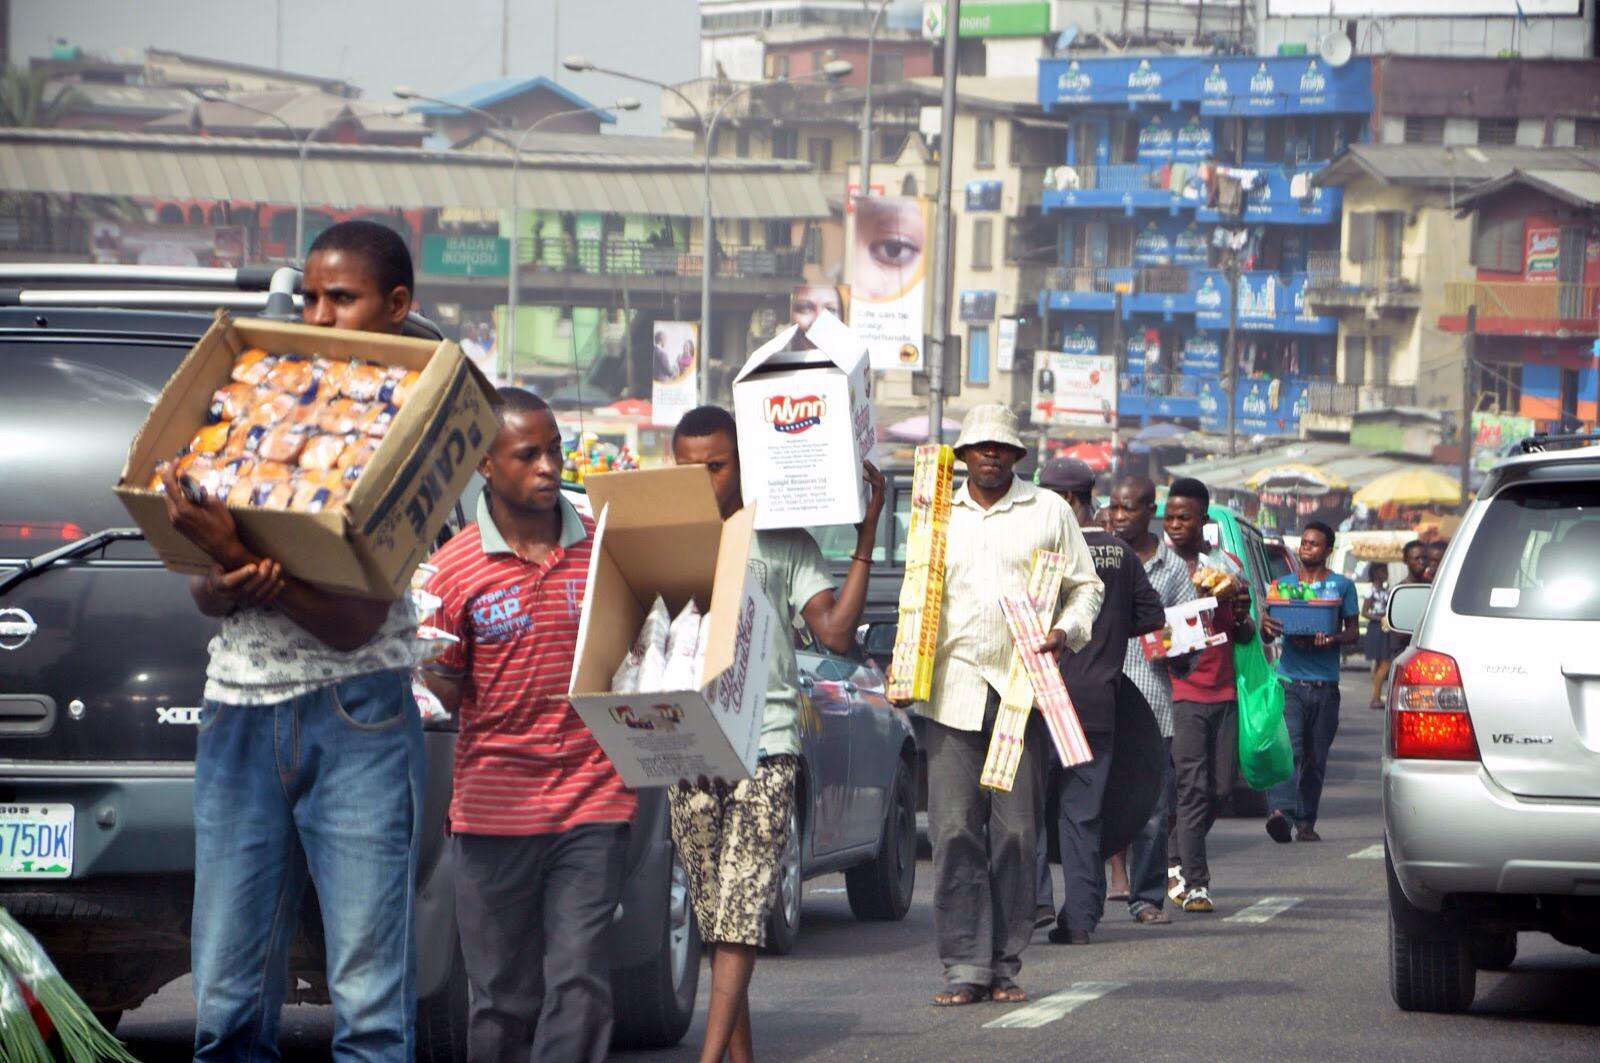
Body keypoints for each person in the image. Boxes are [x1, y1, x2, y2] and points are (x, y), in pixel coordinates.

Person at [165, 220, 428, 1060]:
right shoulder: (254, 403)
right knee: (227, 1003)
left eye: (341, 298)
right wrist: (223, 569)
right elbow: (209, 597)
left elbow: (356, 625)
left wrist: (241, 552)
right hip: (236, 713)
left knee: (369, 1006)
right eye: (311, 295)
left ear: (396, 305)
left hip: (356, 719)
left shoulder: (414, 429)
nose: (317, 313)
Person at [422, 388, 634, 1062]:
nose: (548, 466)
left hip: (593, 799)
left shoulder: (603, 550)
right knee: (502, 998)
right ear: (486, 463)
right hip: (493, 812)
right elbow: (445, 691)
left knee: (579, 982)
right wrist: (423, 669)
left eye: (555, 451)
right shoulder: (453, 571)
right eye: (528, 453)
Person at [670, 405, 884, 1063]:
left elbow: (836, 632)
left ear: (742, 463)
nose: (704, 480)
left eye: (716, 465)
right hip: (690, 748)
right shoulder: (664, 538)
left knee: (739, 912)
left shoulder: (783, 540)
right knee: (715, 918)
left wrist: (865, 537)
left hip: (766, 743)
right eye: (689, 468)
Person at [902, 404, 1102, 1006]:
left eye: (1001, 448)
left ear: (1018, 456)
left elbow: (1085, 586)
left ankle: (1004, 965)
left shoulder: (1047, 510)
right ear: (962, 456)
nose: (990, 455)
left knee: (1016, 834)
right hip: (952, 689)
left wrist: (1065, 631)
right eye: (979, 447)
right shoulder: (936, 510)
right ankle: (965, 966)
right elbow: (917, 590)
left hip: (1024, 690)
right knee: (956, 829)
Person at [1032, 460, 1164, 945]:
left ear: (1067, 502)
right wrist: (1108, 639)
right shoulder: (1120, 554)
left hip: (1043, 701)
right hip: (1098, 706)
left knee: (1026, 808)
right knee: (1082, 815)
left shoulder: (1042, 552)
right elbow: (1151, 616)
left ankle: (1036, 902)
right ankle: (1081, 921)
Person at [1106, 474, 1198, 926]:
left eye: (1130, 509)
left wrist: (1180, 647)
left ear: (1149, 512)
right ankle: (1083, 900)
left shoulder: (1173, 570)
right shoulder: (1097, 556)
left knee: (1152, 811)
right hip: (1098, 702)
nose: (1120, 517)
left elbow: (1183, 641)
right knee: (1087, 805)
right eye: (1114, 507)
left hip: (1154, 708)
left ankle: (1146, 899)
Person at [1163, 477, 1255, 914]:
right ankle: (1196, 883)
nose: (1175, 525)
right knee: (1193, 788)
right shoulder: (1160, 569)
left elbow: (1244, 632)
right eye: (1170, 517)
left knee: (1220, 790)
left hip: (1224, 692)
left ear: (1203, 520)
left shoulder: (1223, 566)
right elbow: (1159, 637)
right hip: (1182, 693)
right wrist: (1191, 606)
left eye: (1185, 517)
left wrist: (1239, 610)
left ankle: (1175, 853)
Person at [1261, 522, 1360, 844]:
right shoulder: (1282, 586)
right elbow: (1267, 632)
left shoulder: (1342, 587)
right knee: (1290, 751)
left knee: (1316, 759)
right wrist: (1266, 626)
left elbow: (1353, 632)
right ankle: (1281, 813)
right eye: (1304, 542)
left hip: (1325, 686)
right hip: (1290, 681)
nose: (1306, 548)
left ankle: (1306, 822)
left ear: (1328, 550)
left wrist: (1331, 638)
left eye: (1314, 544)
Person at [1361, 563, 1394, 711]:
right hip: (1376, 628)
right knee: (1385, 662)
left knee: (1382, 662)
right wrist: (1379, 618)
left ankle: (1376, 697)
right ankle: (1375, 698)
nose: (1386, 573)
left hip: (1385, 627)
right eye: (1383, 571)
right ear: (1376, 573)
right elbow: (1364, 612)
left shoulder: (1386, 590)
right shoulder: (1371, 591)